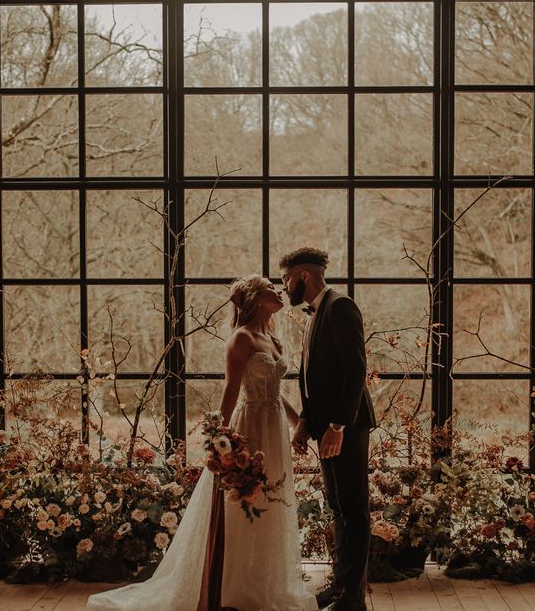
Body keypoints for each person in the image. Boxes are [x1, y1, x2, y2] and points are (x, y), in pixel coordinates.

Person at [88, 275, 317, 611]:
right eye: (271, 289)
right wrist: (221, 440)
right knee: (240, 503)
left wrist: (299, 425)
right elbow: (230, 391)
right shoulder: (240, 338)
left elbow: (277, 393)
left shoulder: (274, 338)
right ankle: (231, 587)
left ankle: (263, 583)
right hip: (248, 427)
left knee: (271, 502)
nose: (279, 291)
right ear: (254, 298)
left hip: (274, 430)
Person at [280, 248, 376, 611]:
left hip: (345, 428)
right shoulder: (316, 314)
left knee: (353, 510)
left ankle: (352, 600)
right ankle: (340, 589)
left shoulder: (340, 306)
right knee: (338, 508)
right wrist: (306, 423)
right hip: (325, 428)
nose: (285, 286)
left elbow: (355, 372)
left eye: (287, 279)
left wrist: (337, 425)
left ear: (304, 275)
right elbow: (319, 380)